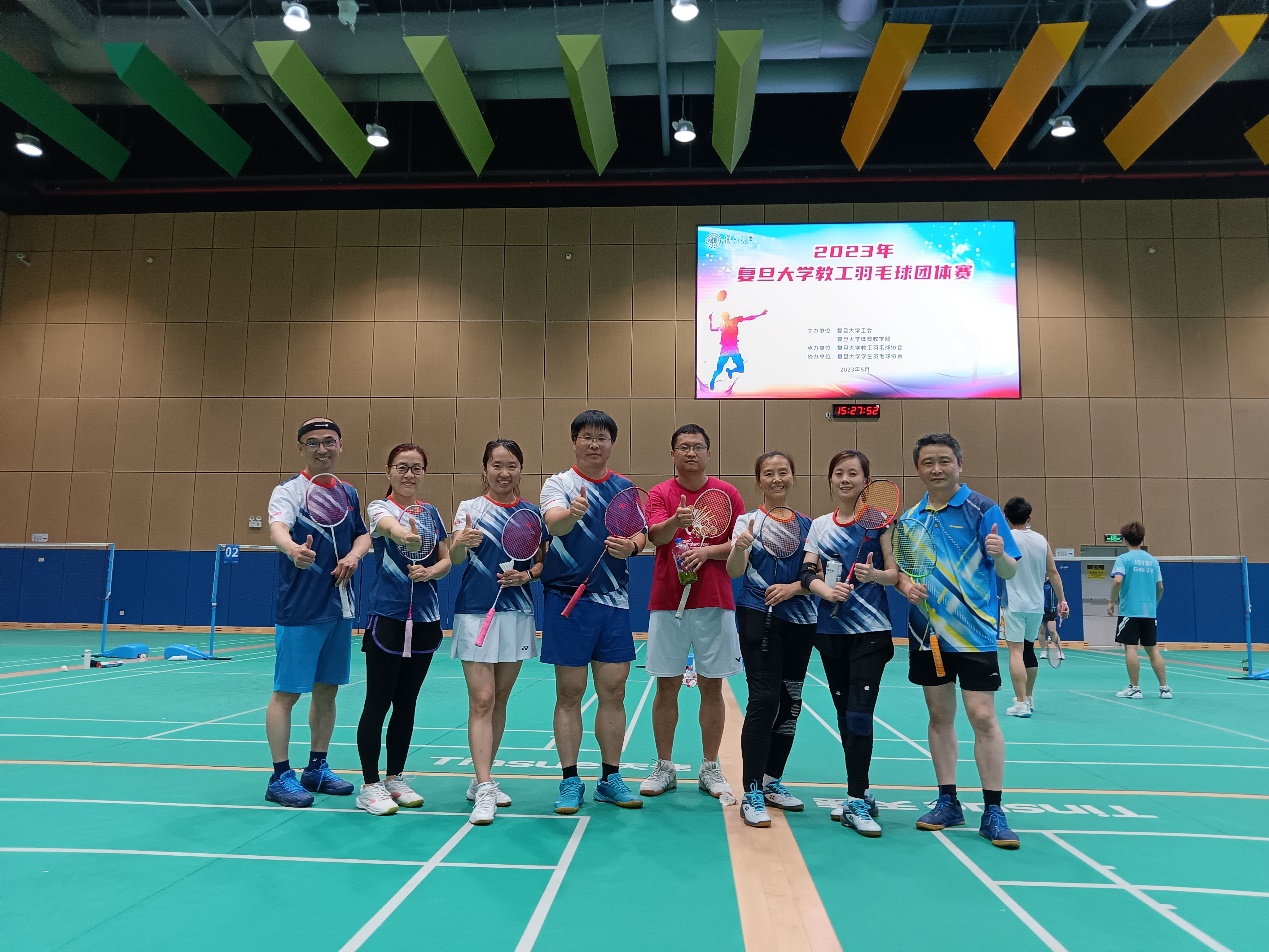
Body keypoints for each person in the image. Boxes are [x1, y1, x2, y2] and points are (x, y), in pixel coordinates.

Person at [896, 433, 1022, 850]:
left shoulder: (983, 509)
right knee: (939, 715)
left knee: (982, 715)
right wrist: (907, 587)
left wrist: (1000, 554)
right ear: (918, 469)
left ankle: (994, 810)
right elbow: (908, 573)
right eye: (928, 462)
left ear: (959, 465)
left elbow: (1009, 571)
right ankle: (948, 801)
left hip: (975, 633)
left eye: (944, 461)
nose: (936, 469)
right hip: (927, 632)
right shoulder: (911, 518)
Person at [540, 410, 647, 813]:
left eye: (602, 437)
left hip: (614, 601)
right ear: (575, 442)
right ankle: (570, 780)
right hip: (568, 600)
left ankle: (610, 778)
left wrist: (632, 546)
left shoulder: (624, 488)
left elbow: (641, 533)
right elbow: (554, 524)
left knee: (614, 691)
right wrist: (572, 514)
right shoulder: (560, 484)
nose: (594, 444)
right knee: (569, 692)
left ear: (611, 443)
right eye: (587, 436)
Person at [264, 418, 371, 808]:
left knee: (327, 691)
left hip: (339, 607)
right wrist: (293, 548)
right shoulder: (288, 491)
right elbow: (278, 528)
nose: (322, 449)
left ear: (340, 445)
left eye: (329, 441)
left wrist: (355, 555)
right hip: (300, 609)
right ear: (301, 448)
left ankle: (317, 767)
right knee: (287, 694)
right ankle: (280, 777)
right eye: (313, 442)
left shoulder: (348, 492)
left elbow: (363, 534)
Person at [641, 425, 746, 801]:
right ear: (672, 453)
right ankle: (664, 766)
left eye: (698, 447)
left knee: (712, 686)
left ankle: (710, 766)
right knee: (666, 685)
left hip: (714, 601)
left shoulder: (727, 493)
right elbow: (655, 536)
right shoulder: (660, 493)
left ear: (708, 453)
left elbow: (739, 542)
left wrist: (707, 552)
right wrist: (676, 521)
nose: (690, 453)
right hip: (668, 602)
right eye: (683, 447)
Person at [802, 450, 898, 837]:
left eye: (853, 473)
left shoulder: (880, 522)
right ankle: (862, 790)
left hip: (870, 633)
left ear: (865, 481)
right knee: (845, 716)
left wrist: (874, 575)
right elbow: (807, 572)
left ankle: (855, 800)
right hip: (830, 632)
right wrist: (826, 591)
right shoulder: (820, 526)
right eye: (839, 472)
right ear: (830, 479)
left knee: (859, 715)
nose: (845, 479)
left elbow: (894, 573)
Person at [449, 439, 546, 825]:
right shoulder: (470, 509)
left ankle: (480, 779)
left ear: (520, 469)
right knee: (483, 699)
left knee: (500, 699)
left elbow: (542, 564)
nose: (504, 473)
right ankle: (487, 786)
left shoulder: (532, 514)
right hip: (476, 612)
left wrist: (527, 575)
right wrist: (460, 542)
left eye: (511, 466)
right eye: (496, 465)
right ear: (485, 468)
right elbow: (455, 559)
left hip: (517, 613)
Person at [354, 443, 450, 816]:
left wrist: (430, 571)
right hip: (388, 617)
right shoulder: (380, 508)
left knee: (407, 703)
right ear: (389, 471)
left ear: (424, 473)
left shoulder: (432, 513)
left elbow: (445, 560)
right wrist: (404, 536)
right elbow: (389, 529)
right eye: (402, 467)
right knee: (378, 701)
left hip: (425, 618)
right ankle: (369, 785)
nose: (409, 474)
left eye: (416, 468)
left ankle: (395, 777)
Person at [725, 452, 817, 828]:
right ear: (759, 481)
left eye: (783, 472)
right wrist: (739, 546)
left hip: (801, 621)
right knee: (764, 700)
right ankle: (751, 791)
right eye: (769, 473)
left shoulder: (810, 526)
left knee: (791, 703)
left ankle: (771, 780)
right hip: (757, 618)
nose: (777, 478)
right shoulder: (747, 521)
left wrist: (794, 588)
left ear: (793, 477)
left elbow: (817, 577)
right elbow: (734, 571)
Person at [1000, 497, 1069, 718]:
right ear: (1029, 518)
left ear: (1006, 517)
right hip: (1036, 605)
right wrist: (1062, 600)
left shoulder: (1005, 538)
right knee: (1028, 650)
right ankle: (1028, 698)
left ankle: (1021, 703)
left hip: (1014, 604)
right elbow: (1053, 572)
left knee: (1016, 651)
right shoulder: (1041, 540)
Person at [1108, 521, 1169, 699]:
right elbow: (1160, 587)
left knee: (1131, 648)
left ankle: (1135, 688)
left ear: (1124, 539)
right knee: (1152, 649)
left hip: (1130, 611)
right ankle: (1164, 689)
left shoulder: (1123, 559)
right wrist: (1154, 604)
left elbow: (1117, 581)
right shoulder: (1153, 561)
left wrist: (1111, 601)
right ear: (1142, 539)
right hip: (1149, 612)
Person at [707, 291, 767, 391]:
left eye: (726, 315)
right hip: (726, 350)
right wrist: (710, 320)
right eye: (724, 315)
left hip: (734, 349)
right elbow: (712, 329)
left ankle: (730, 371)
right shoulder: (723, 325)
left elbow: (749, 318)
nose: (726, 316)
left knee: (741, 369)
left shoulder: (735, 320)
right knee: (719, 369)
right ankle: (713, 380)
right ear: (723, 317)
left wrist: (760, 314)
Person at [1038, 580, 1064, 663]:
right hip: (1039, 610)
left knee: (1052, 631)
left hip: (1051, 610)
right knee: (1041, 631)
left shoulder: (1051, 582)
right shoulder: (1038, 581)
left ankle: (1059, 652)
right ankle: (1043, 651)